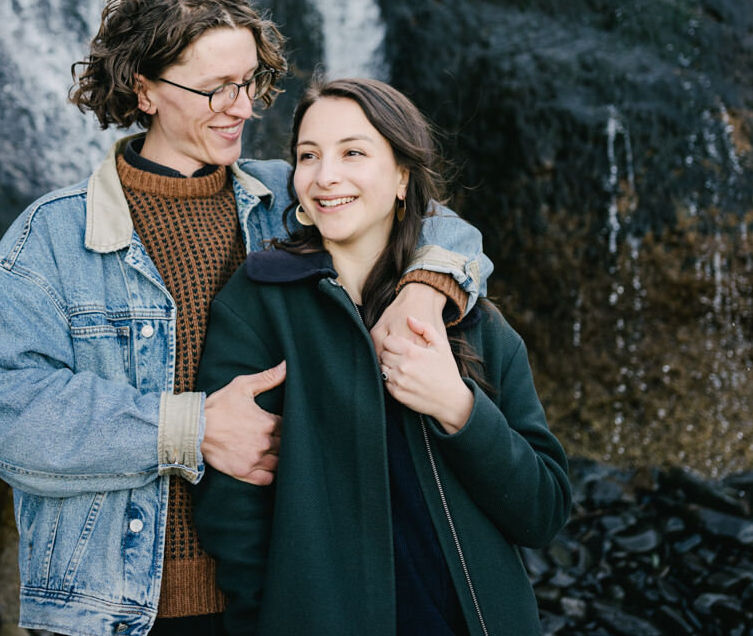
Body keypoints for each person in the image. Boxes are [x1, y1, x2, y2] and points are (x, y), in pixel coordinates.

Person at [0, 0, 492, 636]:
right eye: (214, 89)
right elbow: (7, 415)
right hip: (116, 614)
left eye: (248, 83)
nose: (241, 108)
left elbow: (431, 217)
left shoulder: (290, 199)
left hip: (285, 598)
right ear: (143, 89)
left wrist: (425, 289)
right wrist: (190, 428)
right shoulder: (54, 236)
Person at [193, 77, 571, 636]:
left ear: (401, 177)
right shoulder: (256, 307)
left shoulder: (471, 319)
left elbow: (542, 511)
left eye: (353, 153)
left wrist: (457, 408)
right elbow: (234, 521)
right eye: (308, 156)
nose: (326, 177)